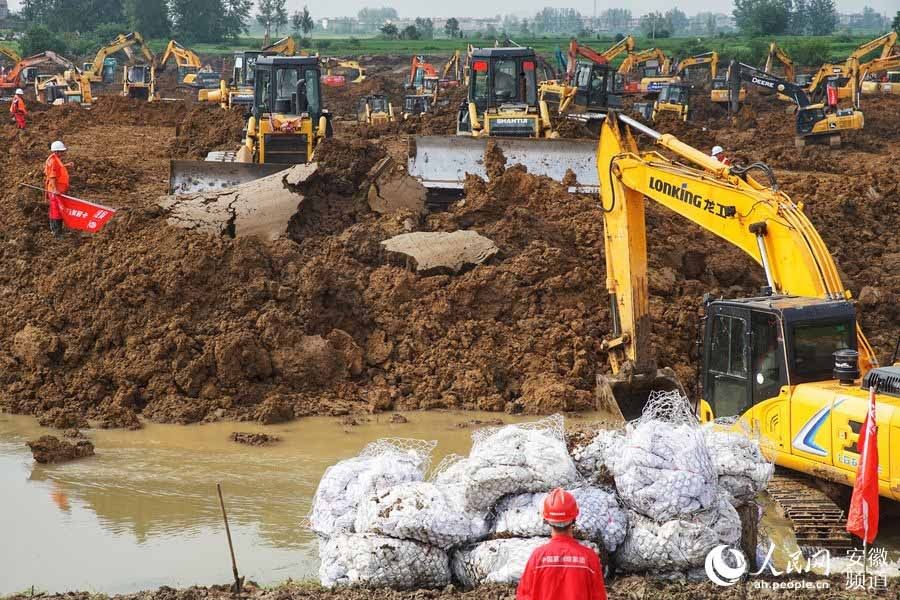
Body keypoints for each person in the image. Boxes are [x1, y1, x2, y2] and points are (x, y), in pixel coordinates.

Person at [516, 488, 607, 600]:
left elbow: (524, 596)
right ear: (574, 518)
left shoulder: (537, 557)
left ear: (547, 520)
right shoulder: (589, 558)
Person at [44, 141, 72, 237]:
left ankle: (56, 230)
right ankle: (57, 232)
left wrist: (66, 165)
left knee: (55, 210)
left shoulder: (55, 159)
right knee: (56, 211)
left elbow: (57, 170)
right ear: (56, 151)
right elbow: (52, 177)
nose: (63, 153)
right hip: (55, 191)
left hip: (57, 190)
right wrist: (55, 190)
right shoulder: (53, 161)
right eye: (62, 151)